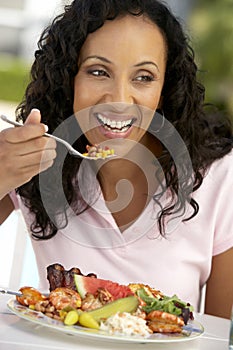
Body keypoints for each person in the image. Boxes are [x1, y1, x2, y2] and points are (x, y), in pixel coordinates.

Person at [0, 0, 232, 319]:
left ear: (165, 88)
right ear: (70, 79)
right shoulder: (37, 163)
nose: (120, 100)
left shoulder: (219, 176)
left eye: (144, 77)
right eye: (98, 71)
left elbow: (222, 336)